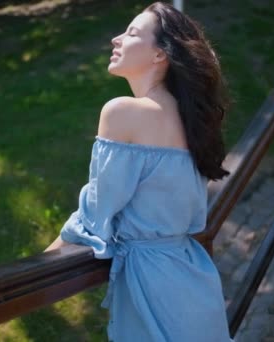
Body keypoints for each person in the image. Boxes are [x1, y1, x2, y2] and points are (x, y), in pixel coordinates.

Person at [44, 2, 232, 341]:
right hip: (194, 281)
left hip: (154, 290)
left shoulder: (123, 112)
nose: (116, 39)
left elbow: (95, 213)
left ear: (161, 54)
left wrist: (41, 263)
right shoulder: (194, 124)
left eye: (131, 33)